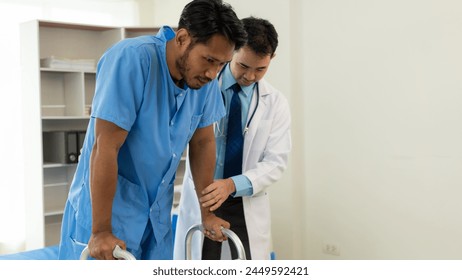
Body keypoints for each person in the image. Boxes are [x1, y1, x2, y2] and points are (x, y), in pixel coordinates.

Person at [57, 0, 247, 260]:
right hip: (106, 215)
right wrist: (101, 230)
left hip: (155, 218)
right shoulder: (131, 59)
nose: (214, 73)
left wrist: (207, 214)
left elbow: (203, 143)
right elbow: (105, 147)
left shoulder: (204, 81)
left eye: (222, 64)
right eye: (209, 60)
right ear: (182, 38)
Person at [174, 16, 291, 260]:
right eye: (243, 66)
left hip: (244, 200)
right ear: (231, 53)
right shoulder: (201, 86)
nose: (250, 76)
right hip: (203, 198)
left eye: (260, 69)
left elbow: (276, 162)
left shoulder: (276, 102)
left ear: (272, 60)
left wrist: (231, 184)